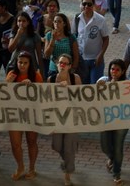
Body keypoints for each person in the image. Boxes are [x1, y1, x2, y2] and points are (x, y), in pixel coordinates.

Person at [6, 51, 43, 180]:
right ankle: (20, 167)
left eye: (25, 63)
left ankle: (32, 167)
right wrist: (8, 84)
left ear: (30, 64)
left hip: (31, 114)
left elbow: (42, 96)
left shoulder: (36, 76)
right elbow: (3, 96)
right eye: (20, 62)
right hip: (15, 114)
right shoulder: (11, 75)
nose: (22, 65)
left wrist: (32, 86)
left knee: (31, 142)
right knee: (15, 144)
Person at [47, 53, 81, 186]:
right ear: (57, 64)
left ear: (70, 66)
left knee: (69, 149)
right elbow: (46, 100)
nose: (62, 65)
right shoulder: (51, 79)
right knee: (57, 146)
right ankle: (66, 161)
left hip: (72, 118)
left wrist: (69, 89)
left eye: (65, 63)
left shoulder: (75, 78)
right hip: (57, 119)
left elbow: (81, 98)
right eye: (60, 63)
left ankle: (68, 174)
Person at [97, 59, 128, 185]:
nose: (114, 72)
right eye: (112, 69)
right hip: (106, 119)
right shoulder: (103, 81)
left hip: (122, 122)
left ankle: (117, 173)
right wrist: (100, 87)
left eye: (117, 70)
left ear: (122, 71)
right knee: (104, 146)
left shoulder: (127, 84)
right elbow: (95, 97)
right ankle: (111, 158)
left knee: (118, 148)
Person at [71, 0, 109, 84]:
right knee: (83, 86)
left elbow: (106, 39)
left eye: (89, 4)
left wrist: (100, 55)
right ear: (81, 5)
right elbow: (72, 37)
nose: (86, 6)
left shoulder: (100, 20)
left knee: (95, 87)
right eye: (84, 4)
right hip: (81, 60)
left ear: (94, 5)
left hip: (96, 60)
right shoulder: (76, 19)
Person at [8, 12, 44, 76]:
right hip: (15, 63)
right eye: (19, 21)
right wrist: (18, 35)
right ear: (16, 22)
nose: (21, 23)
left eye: (24, 21)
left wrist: (41, 72)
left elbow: (39, 55)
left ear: (28, 22)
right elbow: (10, 49)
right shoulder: (13, 33)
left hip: (31, 64)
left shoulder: (34, 35)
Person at [44, 13, 79, 77]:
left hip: (67, 70)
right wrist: (53, 39)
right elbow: (46, 55)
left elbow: (76, 56)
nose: (56, 24)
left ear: (64, 24)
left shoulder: (71, 37)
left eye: (59, 22)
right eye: (55, 21)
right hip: (53, 69)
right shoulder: (49, 35)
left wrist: (73, 69)